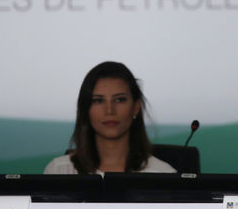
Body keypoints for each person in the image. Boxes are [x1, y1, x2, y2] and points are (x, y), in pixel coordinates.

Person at [45, 61, 176, 175]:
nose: (109, 110)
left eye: (119, 100)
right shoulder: (59, 171)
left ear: (136, 107)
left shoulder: (163, 174)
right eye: (98, 101)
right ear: (85, 109)